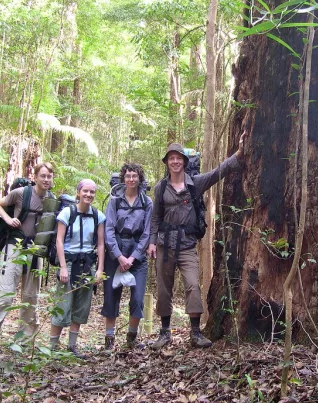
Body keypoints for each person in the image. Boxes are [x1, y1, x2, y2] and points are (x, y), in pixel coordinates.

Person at [148, 133, 246, 350]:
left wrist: (238, 153)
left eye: (178, 158)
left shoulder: (195, 183)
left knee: (192, 285)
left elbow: (217, 173)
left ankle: (195, 332)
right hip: (165, 245)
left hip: (187, 245)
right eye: (171, 158)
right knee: (164, 288)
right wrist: (152, 242)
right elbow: (155, 217)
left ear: (184, 161)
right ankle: (164, 333)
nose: (175, 161)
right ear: (167, 162)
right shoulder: (160, 188)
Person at [0, 162, 55, 358]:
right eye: (43, 176)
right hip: (14, 246)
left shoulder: (52, 199)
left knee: (31, 298)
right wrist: (7, 219)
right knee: (4, 295)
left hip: (36, 250)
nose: (46, 179)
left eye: (49, 176)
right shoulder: (21, 192)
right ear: (36, 177)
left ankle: (26, 342)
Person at [49, 179, 105, 358]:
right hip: (70, 262)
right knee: (62, 304)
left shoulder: (98, 216)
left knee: (81, 305)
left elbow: (101, 244)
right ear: (78, 192)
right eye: (85, 191)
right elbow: (59, 240)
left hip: (88, 264)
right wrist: (63, 267)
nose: (89, 195)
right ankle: (52, 346)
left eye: (92, 192)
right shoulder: (67, 213)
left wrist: (99, 270)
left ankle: (72, 346)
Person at [102, 163, 153, 351]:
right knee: (111, 296)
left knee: (138, 298)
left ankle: (131, 337)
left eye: (134, 176)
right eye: (128, 176)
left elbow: (147, 233)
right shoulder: (115, 201)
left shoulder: (147, 202)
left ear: (140, 178)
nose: (131, 179)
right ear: (123, 178)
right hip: (115, 252)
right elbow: (108, 229)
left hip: (137, 254)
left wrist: (133, 257)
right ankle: (109, 339)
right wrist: (118, 256)